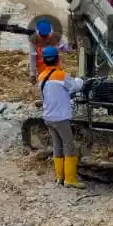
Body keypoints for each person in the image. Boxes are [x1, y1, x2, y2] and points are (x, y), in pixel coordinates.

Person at [36, 46, 85, 188]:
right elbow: (76, 87)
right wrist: (80, 80)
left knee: (57, 145)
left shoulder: (41, 77)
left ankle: (59, 178)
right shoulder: (60, 75)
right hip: (61, 118)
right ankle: (70, 180)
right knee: (68, 145)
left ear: (44, 60)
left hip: (48, 117)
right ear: (57, 58)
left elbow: (53, 92)